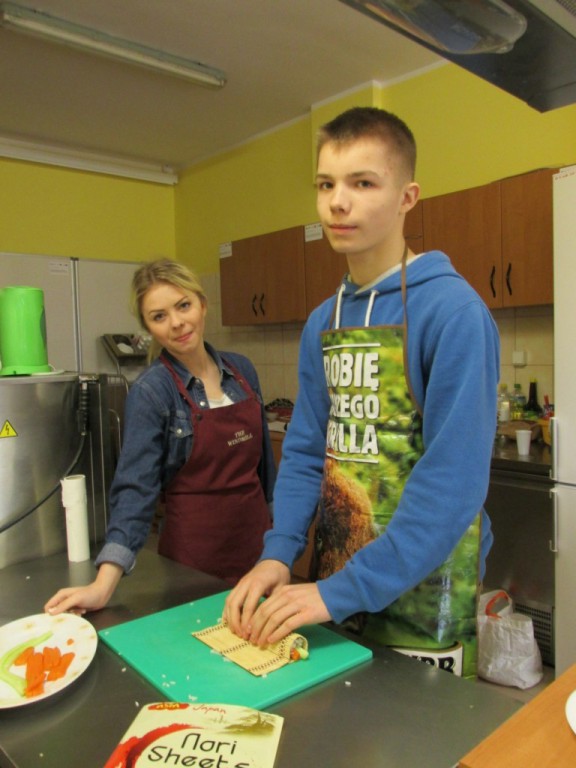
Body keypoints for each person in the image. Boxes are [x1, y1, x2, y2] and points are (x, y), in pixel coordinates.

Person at [224, 107, 499, 678]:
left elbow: (452, 484)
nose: (337, 202)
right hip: (335, 582)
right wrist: (278, 553)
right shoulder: (322, 322)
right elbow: (306, 451)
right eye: (326, 184)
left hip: (425, 592)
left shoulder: (453, 313)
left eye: (363, 183)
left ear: (407, 197)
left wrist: (341, 591)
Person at [46, 258, 276, 615]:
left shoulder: (241, 370)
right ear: (149, 328)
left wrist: (280, 546)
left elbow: (265, 469)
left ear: (202, 304)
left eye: (183, 305)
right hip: (193, 563)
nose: (176, 323)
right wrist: (102, 587)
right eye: (159, 316)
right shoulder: (152, 392)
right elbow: (135, 489)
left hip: (258, 552)